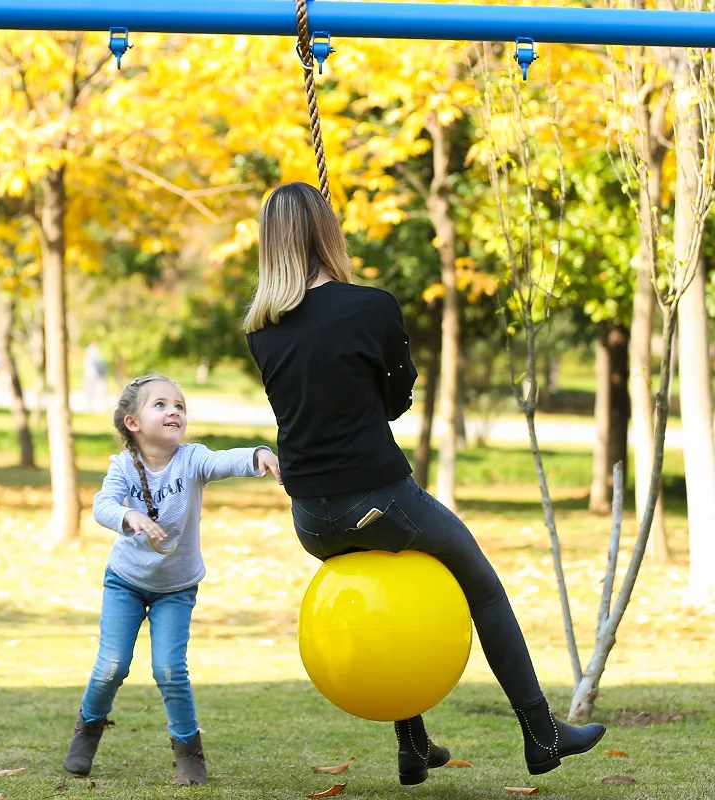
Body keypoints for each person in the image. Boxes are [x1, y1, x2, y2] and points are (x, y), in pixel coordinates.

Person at [244, 182, 605, 785]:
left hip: (311, 517)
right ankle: (543, 735)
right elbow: (395, 399)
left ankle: (414, 745)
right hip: (378, 497)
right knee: (483, 589)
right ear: (327, 232)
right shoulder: (373, 306)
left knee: (395, 599)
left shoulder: (262, 327)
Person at [63, 374, 282, 786]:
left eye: (179, 405)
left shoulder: (192, 458)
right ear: (132, 422)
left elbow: (226, 460)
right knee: (111, 665)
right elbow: (102, 505)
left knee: (169, 669)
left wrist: (258, 456)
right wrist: (130, 516)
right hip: (125, 581)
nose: (174, 411)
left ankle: (189, 753)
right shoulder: (123, 466)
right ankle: (87, 731)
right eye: (160, 405)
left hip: (176, 588)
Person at [83, 342, 108, 411]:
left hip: (99, 374)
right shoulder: (90, 350)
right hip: (92, 374)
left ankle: (99, 404)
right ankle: (90, 405)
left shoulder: (99, 349)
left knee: (100, 389)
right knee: (91, 389)